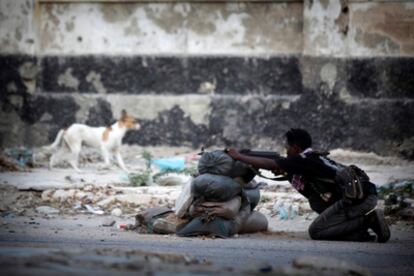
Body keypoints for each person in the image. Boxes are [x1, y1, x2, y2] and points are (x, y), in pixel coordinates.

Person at [227, 128, 390, 242]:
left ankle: (369, 221)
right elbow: (310, 179)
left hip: (358, 200)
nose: (286, 152)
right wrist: (286, 172)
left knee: (317, 231)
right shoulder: (312, 158)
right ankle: (360, 233)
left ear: (296, 148)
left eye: (287, 148)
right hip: (361, 195)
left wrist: (239, 156)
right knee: (319, 208)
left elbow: (269, 163)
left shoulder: (303, 159)